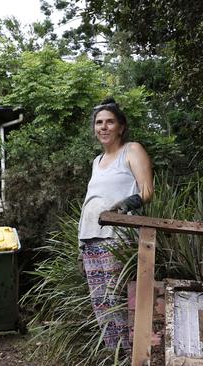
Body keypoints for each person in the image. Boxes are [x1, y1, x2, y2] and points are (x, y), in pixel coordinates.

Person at [77, 98, 154, 351]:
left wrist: (120, 207)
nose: (104, 127)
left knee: (117, 300)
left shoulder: (131, 150)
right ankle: (114, 356)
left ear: (121, 127)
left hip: (116, 238)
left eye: (110, 122)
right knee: (101, 306)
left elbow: (147, 191)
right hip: (90, 240)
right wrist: (80, 245)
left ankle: (131, 356)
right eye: (99, 123)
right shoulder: (96, 162)